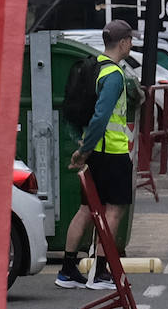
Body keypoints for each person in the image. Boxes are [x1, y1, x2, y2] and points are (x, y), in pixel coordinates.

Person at [55, 20, 137, 290]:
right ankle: (100, 273)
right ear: (123, 42)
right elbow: (101, 117)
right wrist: (84, 150)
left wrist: (84, 150)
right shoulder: (113, 75)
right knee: (114, 211)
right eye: (131, 40)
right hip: (111, 152)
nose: (132, 45)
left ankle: (67, 270)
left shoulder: (95, 67)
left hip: (96, 154)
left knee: (85, 210)